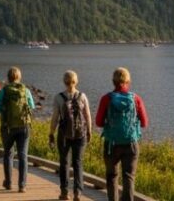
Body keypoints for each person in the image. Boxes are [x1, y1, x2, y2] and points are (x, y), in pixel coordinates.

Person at [95, 67, 148, 201]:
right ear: (128, 81)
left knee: (112, 176)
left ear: (113, 81)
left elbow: (99, 122)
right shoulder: (136, 99)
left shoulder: (106, 99)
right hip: (131, 143)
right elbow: (144, 123)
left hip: (111, 144)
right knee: (128, 177)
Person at [49, 70, 92, 201]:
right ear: (76, 81)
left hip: (64, 134)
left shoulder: (58, 97)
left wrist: (51, 133)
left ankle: (64, 192)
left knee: (64, 163)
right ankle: (78, 193)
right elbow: (88, 116)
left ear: (64, 81)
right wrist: (89, 131)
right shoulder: (82, 96)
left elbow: (55, 118)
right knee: (78, 163)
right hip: (80, 134)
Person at [0, 66, 35, 193]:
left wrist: (7, 112)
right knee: (23, 155)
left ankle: (8, 183)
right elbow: (32, 106)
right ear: (19, 77)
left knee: (8, 154)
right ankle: (22, 185)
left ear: (8, 77)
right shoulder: (25, 90)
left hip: (8, 126)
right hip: (23, 126)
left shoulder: (4, 91)